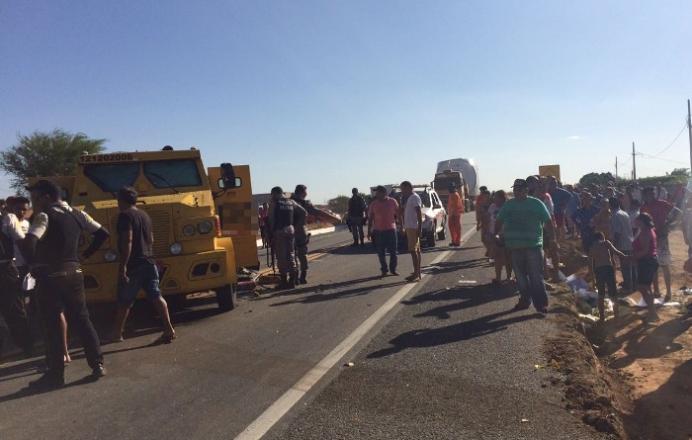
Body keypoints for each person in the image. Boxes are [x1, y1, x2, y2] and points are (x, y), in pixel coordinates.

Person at [22, 180, 109, 388]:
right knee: (82, 318)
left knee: (51, 324)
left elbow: (32, 240)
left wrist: (33, 263)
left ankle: (55, 374)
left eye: (35, 198)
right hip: (74, 271)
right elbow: (102, 233)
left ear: (46, 197)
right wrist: (85, 255)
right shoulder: (77, 214)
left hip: (51, 274)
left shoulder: (44, 215)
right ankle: (97, 364)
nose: (34, 204)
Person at [111, 187, 176, 343]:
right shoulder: (144, 215)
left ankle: (117, 334)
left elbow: (128, 241)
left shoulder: (125, 216)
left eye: (118, 199)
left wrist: (123, 267)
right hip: (149, 261)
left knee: (125, 300)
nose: (117, 202)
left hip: (135, 264)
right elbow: (151, 239)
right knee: (156, 295)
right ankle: (168, 329)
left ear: (123, 200)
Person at [495, 179, 553, 313]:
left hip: (534, 245)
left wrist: (553, 238)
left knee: (535, 276)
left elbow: (548, 221)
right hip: (515, 246)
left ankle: (541, 304)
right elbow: (499, 219)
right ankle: (525, 300)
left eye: (519, 189)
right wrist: (497, 234)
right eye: (515, 189)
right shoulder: (509, 205)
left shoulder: (536, 204)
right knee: (520, 277)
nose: (516, 192)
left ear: (526, 190)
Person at [0, 197, 34, 358]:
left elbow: (21, 242)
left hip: (7, 268)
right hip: (8, 268)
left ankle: (26, 345)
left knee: (15, 308)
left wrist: (31, 263)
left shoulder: (8, 218)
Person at [291, 185, 340, 284]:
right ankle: (303, 277)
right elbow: (318, 212)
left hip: (289, 232)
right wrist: (334, 219)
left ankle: (294, 277)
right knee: (302, 254)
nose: (306, 194)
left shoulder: (288, 202)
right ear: (302, 192)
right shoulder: (304, 203)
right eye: (305, 192)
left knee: (292, 255)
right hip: (300, 231)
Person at [641, 186, 681, 301]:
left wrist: (669, 224)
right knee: (653, 266)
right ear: (645, 195)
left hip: (662, 238)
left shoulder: (662, 203)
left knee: (664, 265)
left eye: (653, 193)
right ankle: (656, 291)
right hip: (651, 239)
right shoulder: (644, 207)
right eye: (649, 193)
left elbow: (678, 212)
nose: (652, 195)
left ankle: (668, 293)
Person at [267, 186, 305, 289]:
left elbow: (271, 219)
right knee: (291, 255)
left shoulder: (275, 203)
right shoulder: (290, 202)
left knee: (281, 257)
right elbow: (303, 213)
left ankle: (284, 282)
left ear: (274, 193)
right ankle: (292, 280)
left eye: (272, 194)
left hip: (279, 232)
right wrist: (296, 227)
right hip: (290, 230)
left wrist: (270, 234)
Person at [588, 232, 627, 322]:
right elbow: (616, 252)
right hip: (608, 269)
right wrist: (625, 256)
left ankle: (602, 317)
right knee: (613, 294)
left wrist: (593, 281)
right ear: (602, 237)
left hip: (598, 271)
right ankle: (616, 316)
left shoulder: (591, 249)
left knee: (601, 295)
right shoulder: (606, 243)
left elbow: (590, 266)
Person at [632, 213, 660, 322]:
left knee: (642, 287)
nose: (635, 221)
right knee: (647, 288)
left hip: (646, 262)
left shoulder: (645, 232)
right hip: (649, 261)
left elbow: (644, 251)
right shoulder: (647, 230)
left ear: (642, 221)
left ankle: (652, 313)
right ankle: (652, 313)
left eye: (637, 220)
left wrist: (631, 257)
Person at [368, 186, 400, 277]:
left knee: (393, 252)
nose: (376, 194)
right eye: (376, 193)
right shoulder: (374, 204)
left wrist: (401, 226)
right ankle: (384, 269)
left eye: (378, 192)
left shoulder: (392, 202)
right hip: (378, 231)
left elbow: (398, 214)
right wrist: (369, 231)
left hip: (391, 230)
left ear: (383, 193)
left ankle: (393, 269)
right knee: (380, 252)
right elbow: (370, 218)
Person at [609, 197, 635, 293]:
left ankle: (628, 287)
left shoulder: (615, 215)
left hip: (623, 244)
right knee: (631, 265)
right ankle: (633, 284)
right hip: (630, 242)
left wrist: (613, 247)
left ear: (610, 205)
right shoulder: (624, 213)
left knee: (625, 266)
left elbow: (617, 233)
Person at [487, 190, 512, 284]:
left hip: (507, 234)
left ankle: (509, 277)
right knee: (498, 257)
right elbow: (489, 219)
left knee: (508, 257)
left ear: (502, 198)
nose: (494, 199)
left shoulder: (509, 206)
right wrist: (489, 232)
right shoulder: (492, 207)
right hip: (495, 234)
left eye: (496, 197)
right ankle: (498, 278)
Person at [400, 181, 422, 282]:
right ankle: (417, 271)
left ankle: (416, 273)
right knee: (416, 250)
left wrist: (419, 228)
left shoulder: (414, 197)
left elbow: (419, 212)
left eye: (403, 189)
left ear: (409, 188)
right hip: (410, 227)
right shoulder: (410, 198)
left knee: (413, 251)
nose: (402, 191)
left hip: (413, 227)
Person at [548, 177, 571, 241]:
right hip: (548, 213)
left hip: (558, 212)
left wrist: (564, 204)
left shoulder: (560, 191)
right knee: (550, 227)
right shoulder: (546, 191)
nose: (553, 184)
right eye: (551, 183)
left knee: (558, 227)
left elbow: (569, 195)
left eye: (555, 183)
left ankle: (558, 240)